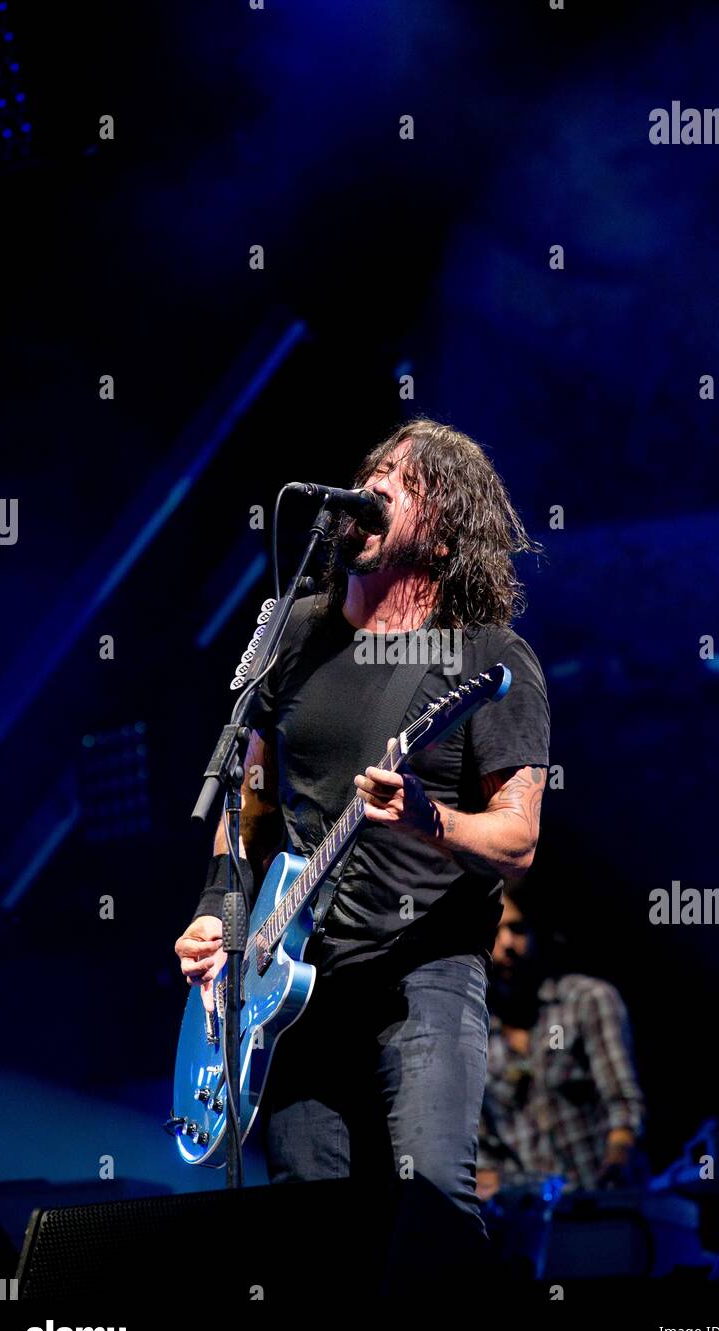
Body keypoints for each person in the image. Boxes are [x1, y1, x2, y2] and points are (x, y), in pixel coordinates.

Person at [174, 418, 550, 1241]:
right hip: (290, 986)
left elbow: (518, 840)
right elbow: (249, 811)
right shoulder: (294, 632)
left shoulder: (487, 658)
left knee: (432, 1208)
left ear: (447, 535)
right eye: (375, 467)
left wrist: (431, 816)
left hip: (424, 973)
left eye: (407, 479)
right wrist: (220, 920)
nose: (377, 480)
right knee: (310, 1227)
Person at [477, 887, 647, 1200]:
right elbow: (481, 1145)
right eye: (493, 932)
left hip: (602, 1205)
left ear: (538, 932)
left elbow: (622, 1101)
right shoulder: (474, 1032)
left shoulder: (587, 1001)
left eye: (517, 928)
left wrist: (618, 1158)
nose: (507, 945)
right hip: (527, 1224)